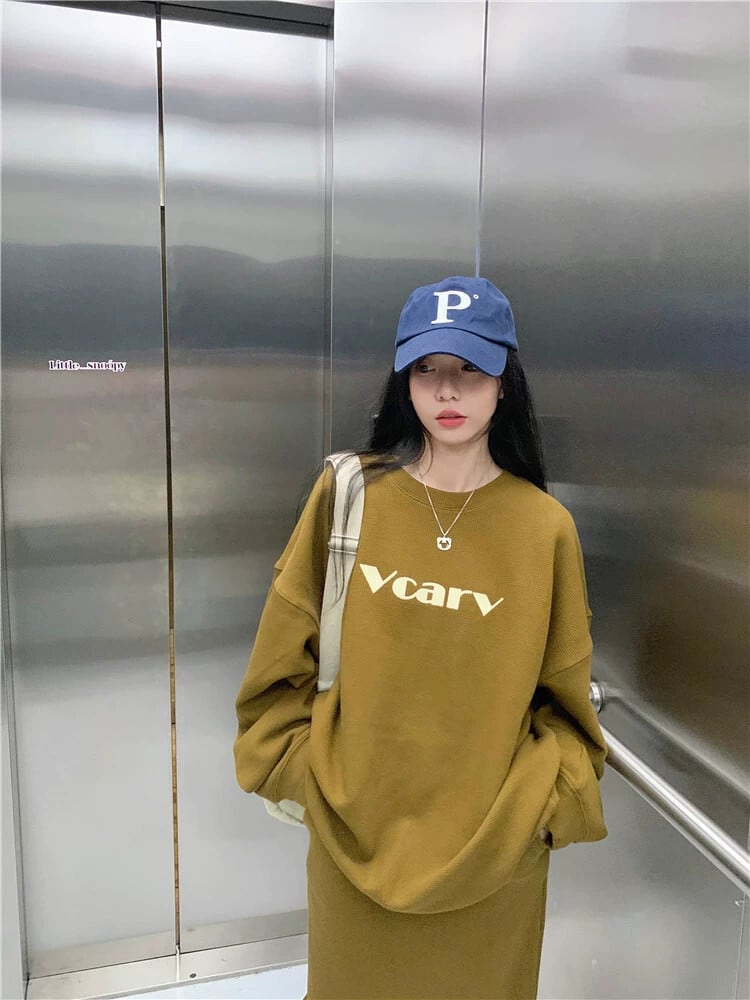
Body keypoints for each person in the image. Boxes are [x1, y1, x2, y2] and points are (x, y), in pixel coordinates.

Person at [233, 275, 608, 1000]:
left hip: (494, 863)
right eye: (427, 368)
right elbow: (279, 660)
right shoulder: (348, 496)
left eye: (471, 368)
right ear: (403, 381)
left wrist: (540, 812)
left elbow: (566, 703)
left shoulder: (544, 528)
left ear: (505, 382)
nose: (448, 390)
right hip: (350, 844)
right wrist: (307, 777)